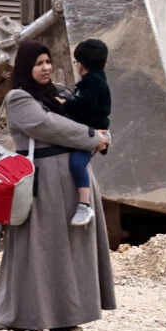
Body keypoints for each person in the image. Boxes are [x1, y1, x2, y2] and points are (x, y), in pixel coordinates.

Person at [0, 41, 117, 331]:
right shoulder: (19, 98)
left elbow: (91, 113)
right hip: (42, 182)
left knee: (71, 249)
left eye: (48, 62)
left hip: (72, 180)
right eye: (38, 63)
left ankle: (66, 316)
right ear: (25, 68)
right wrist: (91, 136)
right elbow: (46, 125)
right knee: (39, 247)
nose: (46, 68)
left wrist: (101, 133)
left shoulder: (58, 93)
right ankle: (24, 315)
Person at [57, 38, 112, 228]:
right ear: (104, 63)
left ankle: (84, 204)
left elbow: (86, 105)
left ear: (80, 65)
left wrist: (66, 104)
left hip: (94, 133)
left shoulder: (94, 82)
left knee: (77, 164)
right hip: (88, 131)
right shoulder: (92, 80)